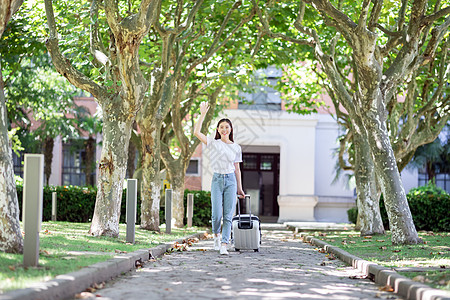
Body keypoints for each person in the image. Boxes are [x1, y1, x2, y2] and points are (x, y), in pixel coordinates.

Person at [194, 102, 245, 255]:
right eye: (221, 127)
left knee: (228, 215)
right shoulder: (213, 143)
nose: (224, 129)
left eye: (227, 127)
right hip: (217, 180)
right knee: (217, 214)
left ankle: (224, 243)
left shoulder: (236, 147)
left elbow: (237, 169)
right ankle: (216, 235)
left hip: (230, 181)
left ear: (230, 130)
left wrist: (239, 188)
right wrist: (202, 114)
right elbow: (197, 132)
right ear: (218, 129)